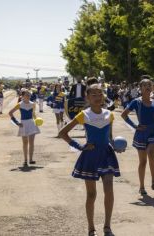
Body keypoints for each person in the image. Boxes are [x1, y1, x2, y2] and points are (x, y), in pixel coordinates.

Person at [59, 84, 120, 236]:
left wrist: (116, 146)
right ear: (87, 97)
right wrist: (79, 146)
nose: (98, 97)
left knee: (109, 190)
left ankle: (107, 227)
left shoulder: (109, 115)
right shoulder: (83, 115)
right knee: (91, 195)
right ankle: (91, 228)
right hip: (90, 156)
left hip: (106, 155)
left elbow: (110, 138)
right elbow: (63, 132)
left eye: (100, 94)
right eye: (94, 95)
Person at [121, 76, 154, 195]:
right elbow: (124, 115)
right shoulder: (136, 102)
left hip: (153, 132)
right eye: (145, 85)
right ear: (140, 88)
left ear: (152, 87)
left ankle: (153, 179)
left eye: (149, 85)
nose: (147, 87)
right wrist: (135, 126)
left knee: (151, 152)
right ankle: (141, 187)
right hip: (141, 133)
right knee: (142, 162)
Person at [9, 89, 40, 167]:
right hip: (23, 124)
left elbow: (33, 114)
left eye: (29, 95)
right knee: (25, 143)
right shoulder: (19, 104)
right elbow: (10, 113)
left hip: (32, 123)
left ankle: (31, 159)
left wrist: (37, 120)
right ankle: (25, 160)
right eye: (26, 95)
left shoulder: (33, 104)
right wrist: (17, 122)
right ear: (22, 96)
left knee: (32, 142)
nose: (28, 96)